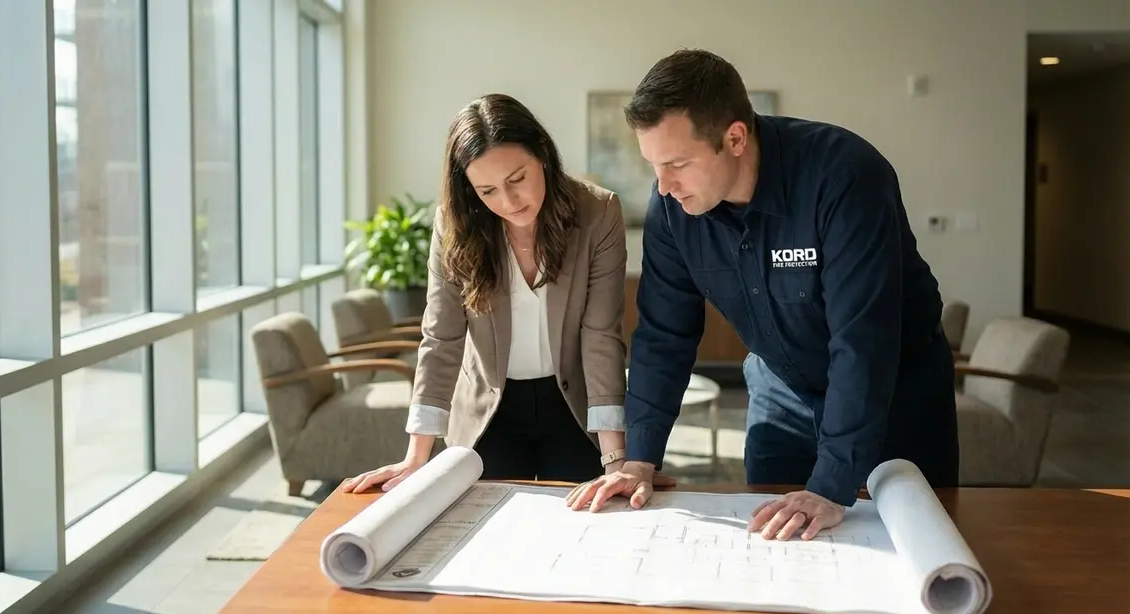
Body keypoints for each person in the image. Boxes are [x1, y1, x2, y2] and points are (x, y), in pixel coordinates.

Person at [567, 49, 959, 541]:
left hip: (894, 392)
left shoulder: (845, 176)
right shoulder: (671, 208)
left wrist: (832, 484)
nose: (664, 186)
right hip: (783, 391)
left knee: (919, 545)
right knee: (776, 543)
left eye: (678, 164)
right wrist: (639, 459)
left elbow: (863, 340)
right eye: (654, 167)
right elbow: (664, 334)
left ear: (734, 137)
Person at [342, 93, 637, 492]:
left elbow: (601, 335)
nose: (509, 201)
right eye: (487, 190)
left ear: (543, 155)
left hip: (573, 408)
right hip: (487, 411)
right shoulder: (455, 223)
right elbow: (441, 337)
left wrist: (615, 459)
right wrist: (416, 457)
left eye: (517, 179)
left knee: (582, 527)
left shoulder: (598, 213)